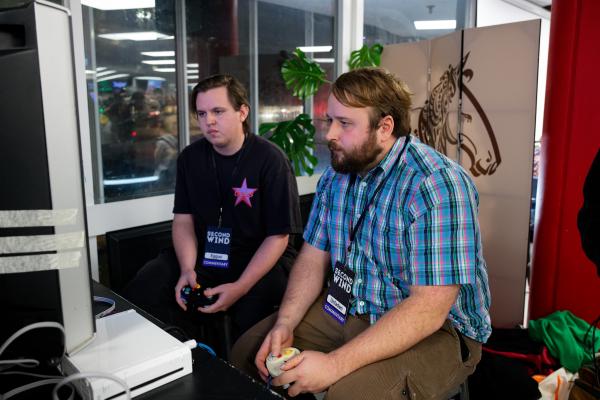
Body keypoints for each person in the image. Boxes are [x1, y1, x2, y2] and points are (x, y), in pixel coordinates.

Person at [231, 68, 491, 399]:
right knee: (248, 353)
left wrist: (334, 365)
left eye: (345, 123)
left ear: (385, 128)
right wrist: (285, 323)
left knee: (348, 394)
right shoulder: (336, 176)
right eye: (330, 121)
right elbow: (311, 258)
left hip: (438, 328)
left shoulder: (436, 184)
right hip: (348, 306)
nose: (330, 134)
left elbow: (429, 307)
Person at [125, 74, 302, 346]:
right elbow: (183, 220)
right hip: (207, 252)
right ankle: (186, 353)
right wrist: (187, 268)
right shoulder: (190, 158)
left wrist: (241, 287)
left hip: (260, 255)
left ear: (242, 112)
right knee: (149, 283)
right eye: (202, 113)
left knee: (251, 309)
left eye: (218, 111)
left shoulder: (271, 159)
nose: (208, 121)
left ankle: (238, 366)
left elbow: (278, 237)